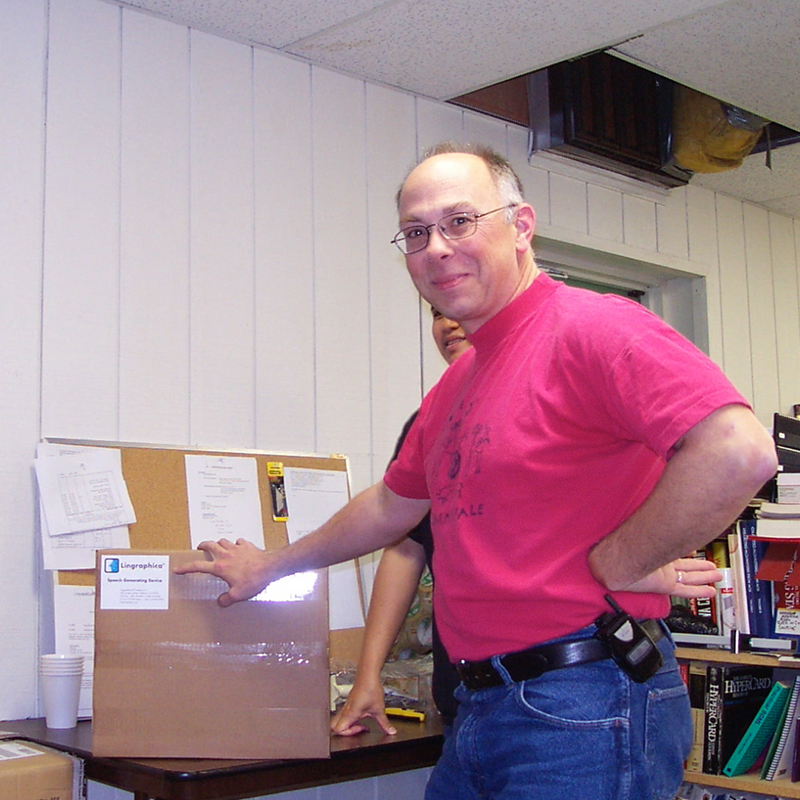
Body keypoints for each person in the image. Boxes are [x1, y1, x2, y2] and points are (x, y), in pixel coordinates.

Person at [176, 142, 777, 800]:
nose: (436, 247)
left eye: (459, 221)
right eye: (415, 233)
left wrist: (621, 560)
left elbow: (737, 450)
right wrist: (270, 566)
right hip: (482, 704)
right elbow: (390, 507)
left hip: (584, 700)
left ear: (521, 226)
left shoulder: (593, 327)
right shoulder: (457, 384)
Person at [331, 306, 470, 737]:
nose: (448, 323)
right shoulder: (429, 423)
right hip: (463, 696)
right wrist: (367, 674)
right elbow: (406, 546)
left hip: (555, 688)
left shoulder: (546, 395)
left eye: (461, 306)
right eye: (438, 313)